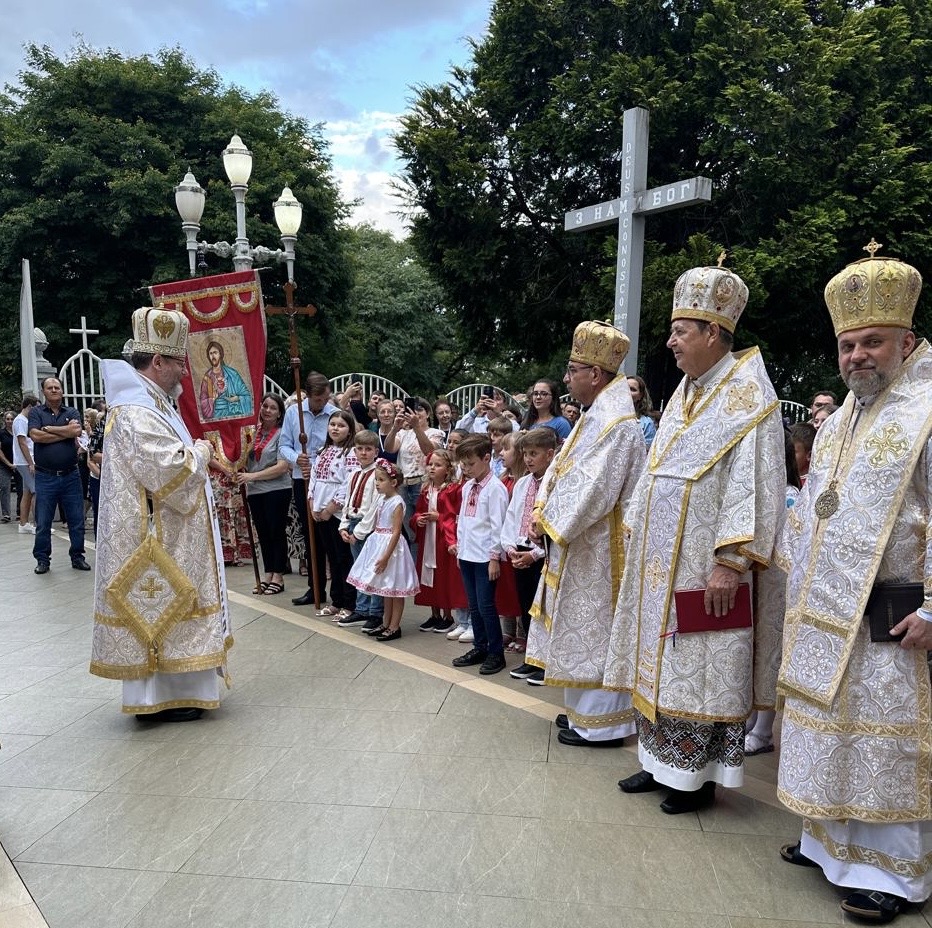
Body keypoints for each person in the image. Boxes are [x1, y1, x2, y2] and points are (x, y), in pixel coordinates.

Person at [776, 243, 932, 922]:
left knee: (880, 744)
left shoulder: (927, 411)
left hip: (892, 613)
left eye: (873, 342)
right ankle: (825, 843)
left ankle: (889, 875)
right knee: (830, 735)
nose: (858, 356)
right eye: (848, 345)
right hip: (824, 607)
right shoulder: (841, 418)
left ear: (907, 342)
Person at [604, 261, 785, 812]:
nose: (671, 341)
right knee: (661, 662)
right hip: (659, 561)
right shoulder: (686, 391)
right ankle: (655, 763)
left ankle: (694, 779)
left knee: (701, 667)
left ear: (712, 332)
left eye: (680, 331)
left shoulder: (750, 398)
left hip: (706, 566)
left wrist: (731, 561)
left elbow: (756, 486)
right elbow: (656, 469)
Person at [91, 307, 231, 722]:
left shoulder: (155, 404)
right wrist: (202, 449)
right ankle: (162, 696)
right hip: (156, 537)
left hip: (168, 533)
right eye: (178, 363)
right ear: (158, 361)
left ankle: (176, 691)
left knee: (169, 609)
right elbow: (171, 470)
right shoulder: (137, 411)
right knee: (160, 609)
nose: (185, 372)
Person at [523, 320, 646, 746]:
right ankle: (582, 714)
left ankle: (603, 725)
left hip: (602, 549)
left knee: (596, 630)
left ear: (595, 374)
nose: (566, 378)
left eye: (573, 370)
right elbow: (562, 467)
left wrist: (549, 520)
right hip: (583, 543)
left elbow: (593, 488)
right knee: (580, 627)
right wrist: (541, 509)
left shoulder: (617, 424)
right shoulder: (596, 416)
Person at [450, 433, 510, 674]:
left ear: (487, 458)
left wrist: (495, 557)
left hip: (485, 557)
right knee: (473, 605)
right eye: (463, 464)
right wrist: (460, 549)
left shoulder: (495, 489)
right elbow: (463, 521)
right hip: (468, 554)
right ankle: (480, 646)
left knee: (486, 606)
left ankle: (496, 652)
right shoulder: (467, 486)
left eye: (470, 464)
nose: (466, 469)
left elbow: (498, 526)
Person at [280, 372, 338, 607]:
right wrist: (297, 458)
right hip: (301, 479)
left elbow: (340, 446)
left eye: (325, 399)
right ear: (309, 396)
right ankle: (315, 588)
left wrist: (319, 462)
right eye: (318, 400)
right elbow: (284, 445)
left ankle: (339, 591)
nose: (322, 403)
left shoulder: (333, 414)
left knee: (331, 537)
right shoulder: (293, 413)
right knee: (310, 535)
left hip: (327, 483)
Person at [347, 459, 419, 641]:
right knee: (385, 588)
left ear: (393, 482)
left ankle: (394, 626)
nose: (377, 484)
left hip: (392, 549)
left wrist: (386, 556)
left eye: (381, 480)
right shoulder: (381, 499)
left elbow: (396, 532)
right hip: (379, 542)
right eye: (376, 480)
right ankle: (386, 623)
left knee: (395, 589)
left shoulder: (397, 502)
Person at [501, 427, 555, 667]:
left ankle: (543, 660)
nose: (528, 459)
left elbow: (555, 525)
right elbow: (512, 516)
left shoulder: (554, 485)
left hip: (543, 555)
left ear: (550, 454)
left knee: (541, 608)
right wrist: (510, 546)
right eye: (525, 454)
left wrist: (535, 554)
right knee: (525, 605)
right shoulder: (523, 483)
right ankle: (531, 657)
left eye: (534, 453)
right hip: (521, 550)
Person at [28, 377, 89, 574]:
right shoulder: (36, 412)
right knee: (43, 522)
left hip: (71, 475)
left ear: (62, 390)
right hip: (45, 477)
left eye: (57, 387)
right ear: (43, 392)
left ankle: (78, 557)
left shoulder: (71, 412)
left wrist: (51, 429)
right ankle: (43, 560)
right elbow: (36, 436)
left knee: (76, 520)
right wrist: (65, 432)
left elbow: (77, 431)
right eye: (50, 388)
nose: (54, 390)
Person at [234, 392, 292, 595]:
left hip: (276, 489)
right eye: (265, 406)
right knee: (263, 533)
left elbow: (282, 467)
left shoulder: (282, 434)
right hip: (255, 491)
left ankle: (279, 575)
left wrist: (252, 476)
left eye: (273, 408)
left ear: (279, 413)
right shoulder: (251, 432)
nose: (267, 410)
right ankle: (268, 573)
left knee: (276, 531)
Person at [307, 410, 359, 619]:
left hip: (337, 513)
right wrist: (312, 502)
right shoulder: (322, 450)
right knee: (332, 557)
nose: (336, 428)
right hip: (320, 510)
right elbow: (313, 479)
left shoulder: (351, 453)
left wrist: (331, 508)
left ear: (349, 430)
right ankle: (336, 600)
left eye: (341, 425)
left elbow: (348, 483)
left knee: (343, 557)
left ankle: (349, 602)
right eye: (333, 424)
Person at [411, 449, 466, 634]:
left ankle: (448, 615)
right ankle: (434, 613)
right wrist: (418, 519)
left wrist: (439, 517)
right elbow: (418, 511)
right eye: (430, 464)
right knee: (428, 575)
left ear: (448, 469)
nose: (432, 468)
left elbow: (454, 515)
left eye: (438, 465)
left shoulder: (452, 489)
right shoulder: (425, 489)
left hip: (443, 539)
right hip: (428, 538)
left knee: (443, 576)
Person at [336, 430, 384, 631]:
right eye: (360, 449)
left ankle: (375, 612)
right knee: (359, 569)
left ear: (376, 451)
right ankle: (361, 609)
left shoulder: (378, 474)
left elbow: (375, 507)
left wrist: (360, 532)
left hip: (369, 526)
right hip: (353, 523)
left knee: (373, 570)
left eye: (368, 449)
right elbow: (348, 502)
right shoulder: (354, 474)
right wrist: (344, 526)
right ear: (354, 451)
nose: (364, 453)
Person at [198, 339, 254, 421]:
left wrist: (237, 398)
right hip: (215, 416)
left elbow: (247, 395)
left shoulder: (232, 374)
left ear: (220, 354)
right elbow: (202, 401)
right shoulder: (207, 378)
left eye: (215, 353)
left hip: (233, 414)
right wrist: (212, 399)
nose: (213, 356)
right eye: (210, 353)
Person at [13, 395, 38, 534]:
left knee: (27, 492)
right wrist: (31, 463)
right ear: (29, 407)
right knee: (36, 491)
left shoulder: (22, 420)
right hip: (25, 461)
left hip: (24, 461)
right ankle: (38, 524)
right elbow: (22, 442)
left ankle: (24, 523)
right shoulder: (21, 421)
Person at [626, 374, 657, 449]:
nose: (627, 392)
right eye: (625, 387)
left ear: (640, 396)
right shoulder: (607, 415)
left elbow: (647, 451)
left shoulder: (647, 424)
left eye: (632, 389)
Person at [0, 411, 15, 523]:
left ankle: (20, 513)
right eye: (7, 419)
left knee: (22, 489)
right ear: (4, 420)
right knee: (4, 487)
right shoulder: (1, 433)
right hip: (4, 464)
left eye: (12, 419)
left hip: (19, 464)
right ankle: (6, 514)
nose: (9, 421)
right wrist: (9, 464)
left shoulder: (19, 432)